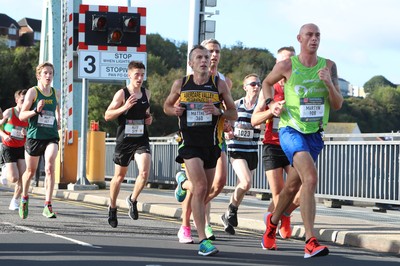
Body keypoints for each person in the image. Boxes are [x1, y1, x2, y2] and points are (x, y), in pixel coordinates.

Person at [260, 23, 343, 258]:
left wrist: (328, 83)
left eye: (317, 35)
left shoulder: (329, 66)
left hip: (314, 133)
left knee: (291, 187)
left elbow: (337, 104)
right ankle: (310, 241)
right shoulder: (287, 65)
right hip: (291, 130)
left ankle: (272, 223)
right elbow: (266, 83)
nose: (314, 39)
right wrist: (270, 104)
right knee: (311, 177)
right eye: (309, 35)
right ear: (299, 38)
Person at [164, 45, 237, 256]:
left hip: (212, 143)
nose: (204, 60)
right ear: (191, 63)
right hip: (189, 142)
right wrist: (174, 110)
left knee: (205, 189)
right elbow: (167, 106)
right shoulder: (181, 84)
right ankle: (203, 240)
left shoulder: (219, 84)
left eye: (206, 57)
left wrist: (219, 111)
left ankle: (181, 182)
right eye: (199, 57)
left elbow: (233, 113)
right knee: (201, 185)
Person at [251, 46, 300, 240]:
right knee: (279, 194)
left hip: (295, 143)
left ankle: (284, 214)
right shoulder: (269, 89)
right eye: (284, 61)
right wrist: (272, 111)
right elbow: (254, 120)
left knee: (304, 188)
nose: (288, 65)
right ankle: (274, 224)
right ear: (277, 64)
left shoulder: (299, 86)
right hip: (273, 144)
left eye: (292, 61)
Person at [104, 61, 153, 228]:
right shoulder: (122, 94)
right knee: (119, 177)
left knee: (144, 172)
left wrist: (149, 118)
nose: (140, 78)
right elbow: (107, 115)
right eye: (136, 75)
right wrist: (124, 107)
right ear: (129, 75)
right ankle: (112, 207)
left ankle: (132, 199)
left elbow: (146, 113)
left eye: (142, 74)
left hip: (141, 139)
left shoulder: (147, 93)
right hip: (124, 140)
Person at [220, 74, 261, 235]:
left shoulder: (261, 108)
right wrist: (227, 132)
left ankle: (227, 214)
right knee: (246, 183)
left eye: (258, 84)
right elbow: (225, 125)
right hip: (236, 149)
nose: (256, 87)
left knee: (241, 187)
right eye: (252, 84)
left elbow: (264, 127)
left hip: (252, 150)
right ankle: (232, 209)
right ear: (245, 87)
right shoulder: (236, 105)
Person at [19, 62, 61, 219]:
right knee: (30, 172)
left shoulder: (55, 93)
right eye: (45, 73)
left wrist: (59, 120)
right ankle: (24, 198)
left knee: (50, 167)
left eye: (51, 73)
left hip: (51, 136)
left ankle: (48, 205)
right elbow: (22, 115)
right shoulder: (33, 92)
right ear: (39, 76)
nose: (48, 76)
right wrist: (36, 111)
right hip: (34, 136)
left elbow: (57, 110)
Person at [0, 89, 28, 210]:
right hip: (8, 147)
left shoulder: (28, 115)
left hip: (21, 148)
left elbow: (32, 132)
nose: (24, 102)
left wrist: (26, 133)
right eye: (22, 100)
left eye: (27, 100)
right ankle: (4, 169)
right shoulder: (10, 112)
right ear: (17, 100)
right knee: (14, 178)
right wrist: (5, 135)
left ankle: (14, 201)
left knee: (24, 177)